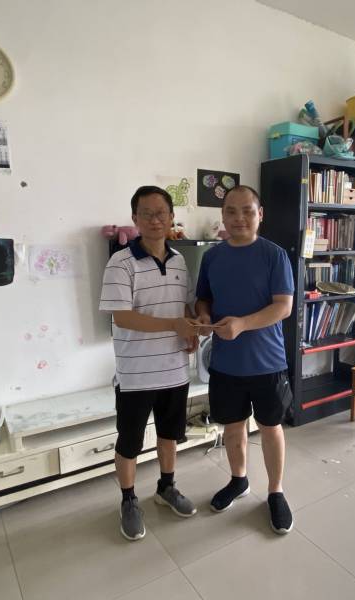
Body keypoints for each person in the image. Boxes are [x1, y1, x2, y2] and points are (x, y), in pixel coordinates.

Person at [99, 185, 201, 541]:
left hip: (175, 370)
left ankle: (166, 488)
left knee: (169, 435)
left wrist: (190, 329)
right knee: (129, 442)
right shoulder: (120, 262)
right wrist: (174, 325)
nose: (155, 220)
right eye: (147, 214)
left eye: (161, 213)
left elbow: (184, 305)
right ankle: (128, 500)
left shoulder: (180, 261)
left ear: (172, 217)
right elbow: (123, 317)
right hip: (136, 375)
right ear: (135, 219)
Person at [195, 185, 295, 534]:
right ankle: (238, 480)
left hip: (267, 362)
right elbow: (204, 299)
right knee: (233, 427)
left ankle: (275, 491)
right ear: (222, 216)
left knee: (270, 428)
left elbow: (283, 306)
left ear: (260, 214)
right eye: (231, 211)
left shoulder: (274, 255)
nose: (239, 218)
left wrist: (242, 324)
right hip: (225, 363)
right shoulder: (212, 257)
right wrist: (203, 316)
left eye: (247, 211)